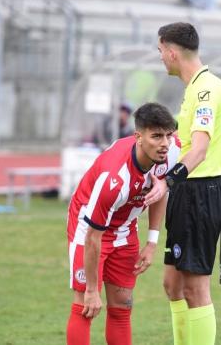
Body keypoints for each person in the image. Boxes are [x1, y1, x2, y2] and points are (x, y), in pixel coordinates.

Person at [65, 103, 178, 345]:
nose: (165, 143)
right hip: (89, 227)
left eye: (168, 135)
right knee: (86, 305)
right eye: (156, 136)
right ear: (138, 137)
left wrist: (151, 242)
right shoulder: (114, 178)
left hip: (125, 227)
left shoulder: (170, 153)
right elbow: (93, 236)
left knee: (122, 305)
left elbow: (160, 192)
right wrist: (93, 290)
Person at [157, 22, 221, 345]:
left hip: (200, 192)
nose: (160, 58)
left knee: (194, 288)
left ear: (172, 52)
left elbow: (199, 150)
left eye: (160, 52)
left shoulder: (206, 90)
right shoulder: (195, 88)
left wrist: (167, 182)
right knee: (172, 285)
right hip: (187, 193)